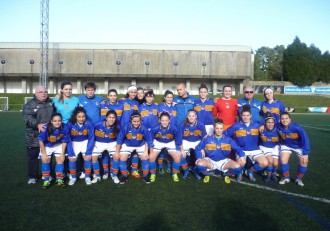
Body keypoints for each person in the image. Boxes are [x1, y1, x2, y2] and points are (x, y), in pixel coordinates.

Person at [225, 105, 268, 182]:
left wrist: (263, 125)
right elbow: (225, 134)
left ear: (251, 115)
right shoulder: (236, 125)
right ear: (240, 115)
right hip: (241, 150)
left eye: (248, 115)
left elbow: (268, 128)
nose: (246, 117)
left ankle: (250, 171)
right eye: (244, 115)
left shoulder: (257, 125)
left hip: (255, 149)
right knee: (241, 163)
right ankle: (240, 172)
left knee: (264, 163)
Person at [195, 119, 245, 184]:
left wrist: (242, 156)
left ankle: (226, 174)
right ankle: (207, 174)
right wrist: (199, 157)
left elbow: (238, 148)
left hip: (224, 161)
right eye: (217, 128)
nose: (219, 130)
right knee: (199, 165)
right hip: (210, 160)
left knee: (237, 167)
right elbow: (198, 148)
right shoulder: (207, 138)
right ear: (214, 129)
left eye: (221, 128)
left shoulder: (228, 140)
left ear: (223, 129)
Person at [23, 85, 54, 184]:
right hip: (34, 136)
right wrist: (37, 124)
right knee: (33, 157)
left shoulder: (51, 103)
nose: (43, 93)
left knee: (48, 156)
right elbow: (27, 118)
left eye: (45, 92)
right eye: (40, 92)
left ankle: (47, 174)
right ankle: (33, 176)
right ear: (35, 93)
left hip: (48, 135)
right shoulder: (29, 105)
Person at [114, 111, 152, 184]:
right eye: (134, 121)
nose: (136, 123)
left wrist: (146, 151)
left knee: (145, 160)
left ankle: (145, 176)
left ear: (140, 121)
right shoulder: (126, 127)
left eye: (138, 121)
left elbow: (148, 140)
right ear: (131, 120)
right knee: (122, 159)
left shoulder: (144, 128)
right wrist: (117, 151)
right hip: (127, 145)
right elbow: (120, 139)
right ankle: (124, 176)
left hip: (140, 145)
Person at [149, 112, 184, 182]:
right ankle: (153, 174)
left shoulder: (174, 128)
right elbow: (150, 140)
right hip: (158, 142)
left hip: (170, 142)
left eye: (166, 120)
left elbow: (178, 140)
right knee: (151, 157)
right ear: (159, 120)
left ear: (169, 120)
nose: (164, 122)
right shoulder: (155, 128)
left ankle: (174, 174)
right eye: (162, 120)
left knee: (178, 158)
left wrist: (180, 150)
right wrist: (151, 152)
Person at [277, 112, 310, 187]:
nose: (284, 120)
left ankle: (298, 179)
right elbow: (269, 124)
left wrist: (305, 153)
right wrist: (262, 125)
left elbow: (305, 140)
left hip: (299, 146)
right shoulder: (278, 126)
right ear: (280, 120)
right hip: (286, 145)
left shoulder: (297, 128)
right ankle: (286, 177)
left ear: (290, 119)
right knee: (283, 159)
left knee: (304, 161)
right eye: (282, 118)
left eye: (286, 118)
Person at [38, 113, 70, 189]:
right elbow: (41, 141)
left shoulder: (65, 127)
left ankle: (59, 179)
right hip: (47, 145)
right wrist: (44, 154)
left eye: (59, 121)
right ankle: (46, 180)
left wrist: (62, 154)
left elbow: (64, 141)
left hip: (58, 144)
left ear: (61, 121)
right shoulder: (45, 127)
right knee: (45, 160)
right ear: (51, 121)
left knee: (60, 160)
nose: (57, 122)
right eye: (55, 121)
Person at [66, 107, 95, 186]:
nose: (81, 119)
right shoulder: (69, 124)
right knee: (72, 159)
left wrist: (88, 151)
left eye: (83, 116)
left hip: (85, 142)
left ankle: (87, 177)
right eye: (79, 117)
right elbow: (67, 138)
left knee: (87, 157)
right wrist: (70, 151)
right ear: (75, 116)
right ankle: (73, 177)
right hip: (73, 142)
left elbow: (91, 138)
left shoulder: (89, 123)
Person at [93, 110, 120, 184]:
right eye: (110, 117)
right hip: (99, 142)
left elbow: (121, 137)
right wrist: (93, 142)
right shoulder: (97, 124)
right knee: (94, 157)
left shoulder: (118, 126)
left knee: (116, 156)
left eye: (113, 117)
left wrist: (117, 144)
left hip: (112, 143)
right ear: (106, 118)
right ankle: (97, 175)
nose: (111, 119)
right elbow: (90, 134)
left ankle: (114, 175)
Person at [119, 85, 140, 177]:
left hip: (135, 128)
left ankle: (134, 169)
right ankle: (126, 168)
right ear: (128, 92)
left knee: (135, 149)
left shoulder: (137, 103)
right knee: (125, 149)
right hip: (124, 128)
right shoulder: (122, 101)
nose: (133, 94)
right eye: (131, 92)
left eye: (135, 92)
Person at [180, 109, 206, 180]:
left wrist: (202, 149)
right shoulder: (183, 125)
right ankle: (186, 171)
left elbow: (204, 138)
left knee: (201, 157)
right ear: (187, 116)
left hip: (197, 142)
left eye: (193, 116)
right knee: (180, 155)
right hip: (186, 141)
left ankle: (195, 170)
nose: (191, 117)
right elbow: (179, 138)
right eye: (189, 116)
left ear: (196, 116)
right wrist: (181, 150)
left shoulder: (201, 125)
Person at [157, 90, 178, 173]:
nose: (169, 99)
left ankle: (169, 166)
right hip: (163, 130)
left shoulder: (175, 106)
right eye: (168, 97)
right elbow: (160, 119)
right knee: (162, 149)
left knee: (170, 150)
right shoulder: (160, 106)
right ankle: (161, 166)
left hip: (173, 130)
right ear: (164, 98)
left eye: (171, 97)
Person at [259, 112, 280, 182]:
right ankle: (268, 175)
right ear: (265, 122)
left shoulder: (278, 129)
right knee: (270, 161)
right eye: (268, 122)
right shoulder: (261, 129)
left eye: (272, 122)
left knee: (276, 163)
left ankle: (273, 174)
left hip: (274, 147)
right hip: (264, 147)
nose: (270, 124)